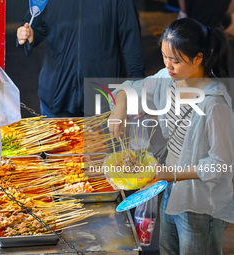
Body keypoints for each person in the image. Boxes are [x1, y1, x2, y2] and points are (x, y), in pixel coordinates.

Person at [109, 18, 234, 254]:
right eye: (165, 57)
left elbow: (221, 165)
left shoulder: (215, 104)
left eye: (175, 60)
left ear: (199, 58)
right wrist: (119, 108)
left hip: (200, 202)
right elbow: (129, 88)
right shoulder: (168, 80)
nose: (168, 65)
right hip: (170, 188)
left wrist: (171, 173)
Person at [16, 0, 145, 117]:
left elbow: (131, 41)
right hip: (56, 95)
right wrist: (29, 34)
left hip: (103, 100)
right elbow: (34, 24)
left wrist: (138, 88)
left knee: (105, 143)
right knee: (58, 143)